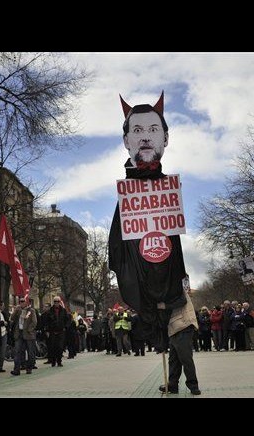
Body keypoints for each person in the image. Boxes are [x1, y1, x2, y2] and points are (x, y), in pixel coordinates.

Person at [108, 91, 187, 350]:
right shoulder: (127, 199)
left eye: (153, 129)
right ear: (126, 140)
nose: (145, 136)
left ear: (165, 138)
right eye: (138, 129)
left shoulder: (167, 190)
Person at [157, 292, 201, 395]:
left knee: (185, 358)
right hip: (173, 329)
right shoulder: (166, 289)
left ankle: (193, 385)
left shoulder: (175, 286)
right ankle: (173, 385)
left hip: (183, 325)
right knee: (173, 360)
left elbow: (182, 301)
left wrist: (164, 305)